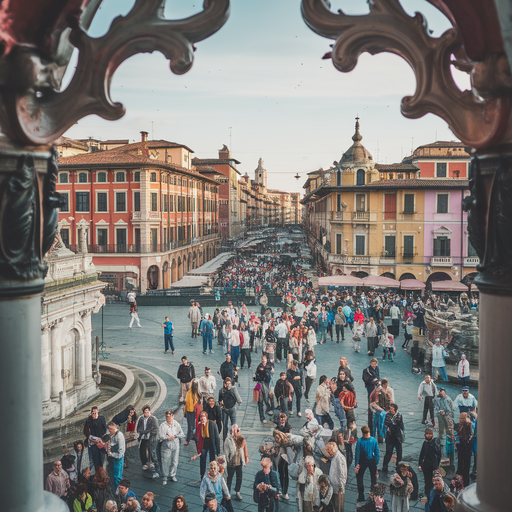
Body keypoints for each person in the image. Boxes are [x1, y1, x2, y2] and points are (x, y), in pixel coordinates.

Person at [159, 409, 185, 485]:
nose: (168, 418)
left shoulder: (176, 424)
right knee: (165, 461)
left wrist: (175, 436)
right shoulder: (162, 425)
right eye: (167, 417)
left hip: (175, 444)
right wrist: (167, 437)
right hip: (166, 445)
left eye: (170, 416)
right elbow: (160, 436)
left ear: (173, 416)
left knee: (175, 461)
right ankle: (165, 477)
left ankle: (173, 474)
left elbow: (182, 434)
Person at [355, 425, 379, 503]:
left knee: (359, 477)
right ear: (369, 432)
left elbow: (357, 454)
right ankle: (373, 494)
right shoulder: (373, 440)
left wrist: (356, 465)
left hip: (362, 461)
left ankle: (361, 495)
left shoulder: (360, 441)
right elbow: (377, 453)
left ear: (362, 433)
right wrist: (376, 463)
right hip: (372, 460)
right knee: (373, 477)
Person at [225, 424, 249, 501]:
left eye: (238, 430)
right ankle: (227, 492)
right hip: (231, 463)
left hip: (239, 462)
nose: (237, 432)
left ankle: (237, 491)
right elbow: (229, 451)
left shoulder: (241, 438)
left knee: (239, 477)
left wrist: (245, 459)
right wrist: (233, 438)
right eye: (235, 430)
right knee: (229, 478)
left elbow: (243, 449)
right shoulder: (228, 439)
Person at [135, 404, 159, 478]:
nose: (147, 413)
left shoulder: (153, 418)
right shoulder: (141, 418)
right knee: (142, 449)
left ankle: (152, 463)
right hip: (143, 437)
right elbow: (138, 428)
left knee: (150, 450)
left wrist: (147, 431)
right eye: (145, 411)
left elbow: (156, 429)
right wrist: (143, 432)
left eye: (148, 411)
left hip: (150, 436)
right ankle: (144, 463)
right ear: (143, 412)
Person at [198, 410, 221, 480]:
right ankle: (202, 476)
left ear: (206, 417)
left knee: (212, 461)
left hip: (211, 443)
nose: (202, 418)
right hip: (204, 444)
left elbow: (217, 438)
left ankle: (213, 476)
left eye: (203, 416)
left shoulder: (212, 425)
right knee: (202, 460)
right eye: (201, 416)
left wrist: (218, 451)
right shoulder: (199, 425)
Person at [419, 428, 442, 498]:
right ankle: (427, 492)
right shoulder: (425, 443)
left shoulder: (434, 443)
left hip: (432, 466)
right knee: (426, 480)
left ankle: (432, 493)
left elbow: (438, 456)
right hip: (426, 465)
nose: (428, 436)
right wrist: (420, 464)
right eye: (427, 434)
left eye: (430, 434)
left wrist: (436, 467)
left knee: (432, 480)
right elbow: (422, 454)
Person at [83, 406, 107, 472]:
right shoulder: (89, 420)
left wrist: (102, 440)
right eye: (93, 413)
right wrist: (92, 438)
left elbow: (104, 430)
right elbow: (86, 432)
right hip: (92, 442)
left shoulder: (102, 418)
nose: (94, 415)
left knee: (102, 458)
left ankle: (101, 472)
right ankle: (91, 473)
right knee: (92, 460)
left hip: (101, 442)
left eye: (95, 413)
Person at [325, 441, 347, 512]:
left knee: (338, 507)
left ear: (332, 450)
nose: (328, 453)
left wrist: (341, 486)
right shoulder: (335, 456)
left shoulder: (339, 458)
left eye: (328, 451)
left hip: (338, 488)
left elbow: (342, 474)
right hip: (334, 487)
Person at [382, 403, 404, 472]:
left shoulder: (399, 415)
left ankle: (399, 467)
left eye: (391, 408)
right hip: (390, 437)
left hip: (397, 436)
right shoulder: (387, 414)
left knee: (399, 452)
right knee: (388, 452)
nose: (390, 409)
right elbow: (386, 423)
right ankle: (385, 467)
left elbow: (399, 425)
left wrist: (391, 427)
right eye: (390, 408)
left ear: (395, 409)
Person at [218, 377, 242, 441]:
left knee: (234, 425)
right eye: (227, 384)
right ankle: (225, 438)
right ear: (224, 384)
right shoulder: (221, 391)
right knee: (224, 425)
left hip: (232, 408)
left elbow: (239, 399)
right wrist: (221, 403)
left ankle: (234, 438)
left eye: (229, 384)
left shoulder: (233, 389)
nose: (228, 385)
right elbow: (219, 400)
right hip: (225, 409)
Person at [455, 412, 474, 487]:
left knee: (466, 466)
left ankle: (465, 482)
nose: (462, 419)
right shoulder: (459, 424)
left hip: (466, 447)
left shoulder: (468, 424)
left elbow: (470, 435)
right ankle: (460, 481)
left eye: (463, 418)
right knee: (460, 464)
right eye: (461, 418)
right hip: (461, 446)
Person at [106, 421, 125, 492]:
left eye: (111, 429)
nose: (110, 430)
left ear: (115, 427)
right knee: (111, 474)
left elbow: (121, 452)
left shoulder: (119, 436)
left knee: (117, 476)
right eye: (109, 429)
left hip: (118, 458)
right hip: (111, 457)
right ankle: (113, 489)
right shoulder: (109, 434)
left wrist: (111, 454)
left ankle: (118, 492)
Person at [255, 354, 273, 423]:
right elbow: (256, 375)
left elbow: (269, 377)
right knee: (260, 401)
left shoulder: (269, 367)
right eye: (262, 359)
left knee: (266, 398)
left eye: (264, 359)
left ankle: (268, 409)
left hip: (266, 384)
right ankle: (262, 417)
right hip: (260, 384)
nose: (263, 360)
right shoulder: (259, 366)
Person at [184, 378, 201, 445]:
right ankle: (188, 439)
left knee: (196, 425)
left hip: (196, 411)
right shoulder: (189, 393)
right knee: (190, 426)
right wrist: (185, 412)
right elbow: (186, 404)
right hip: (190, 412)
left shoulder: (198, 393)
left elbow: (200, 401)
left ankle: (194, 436)